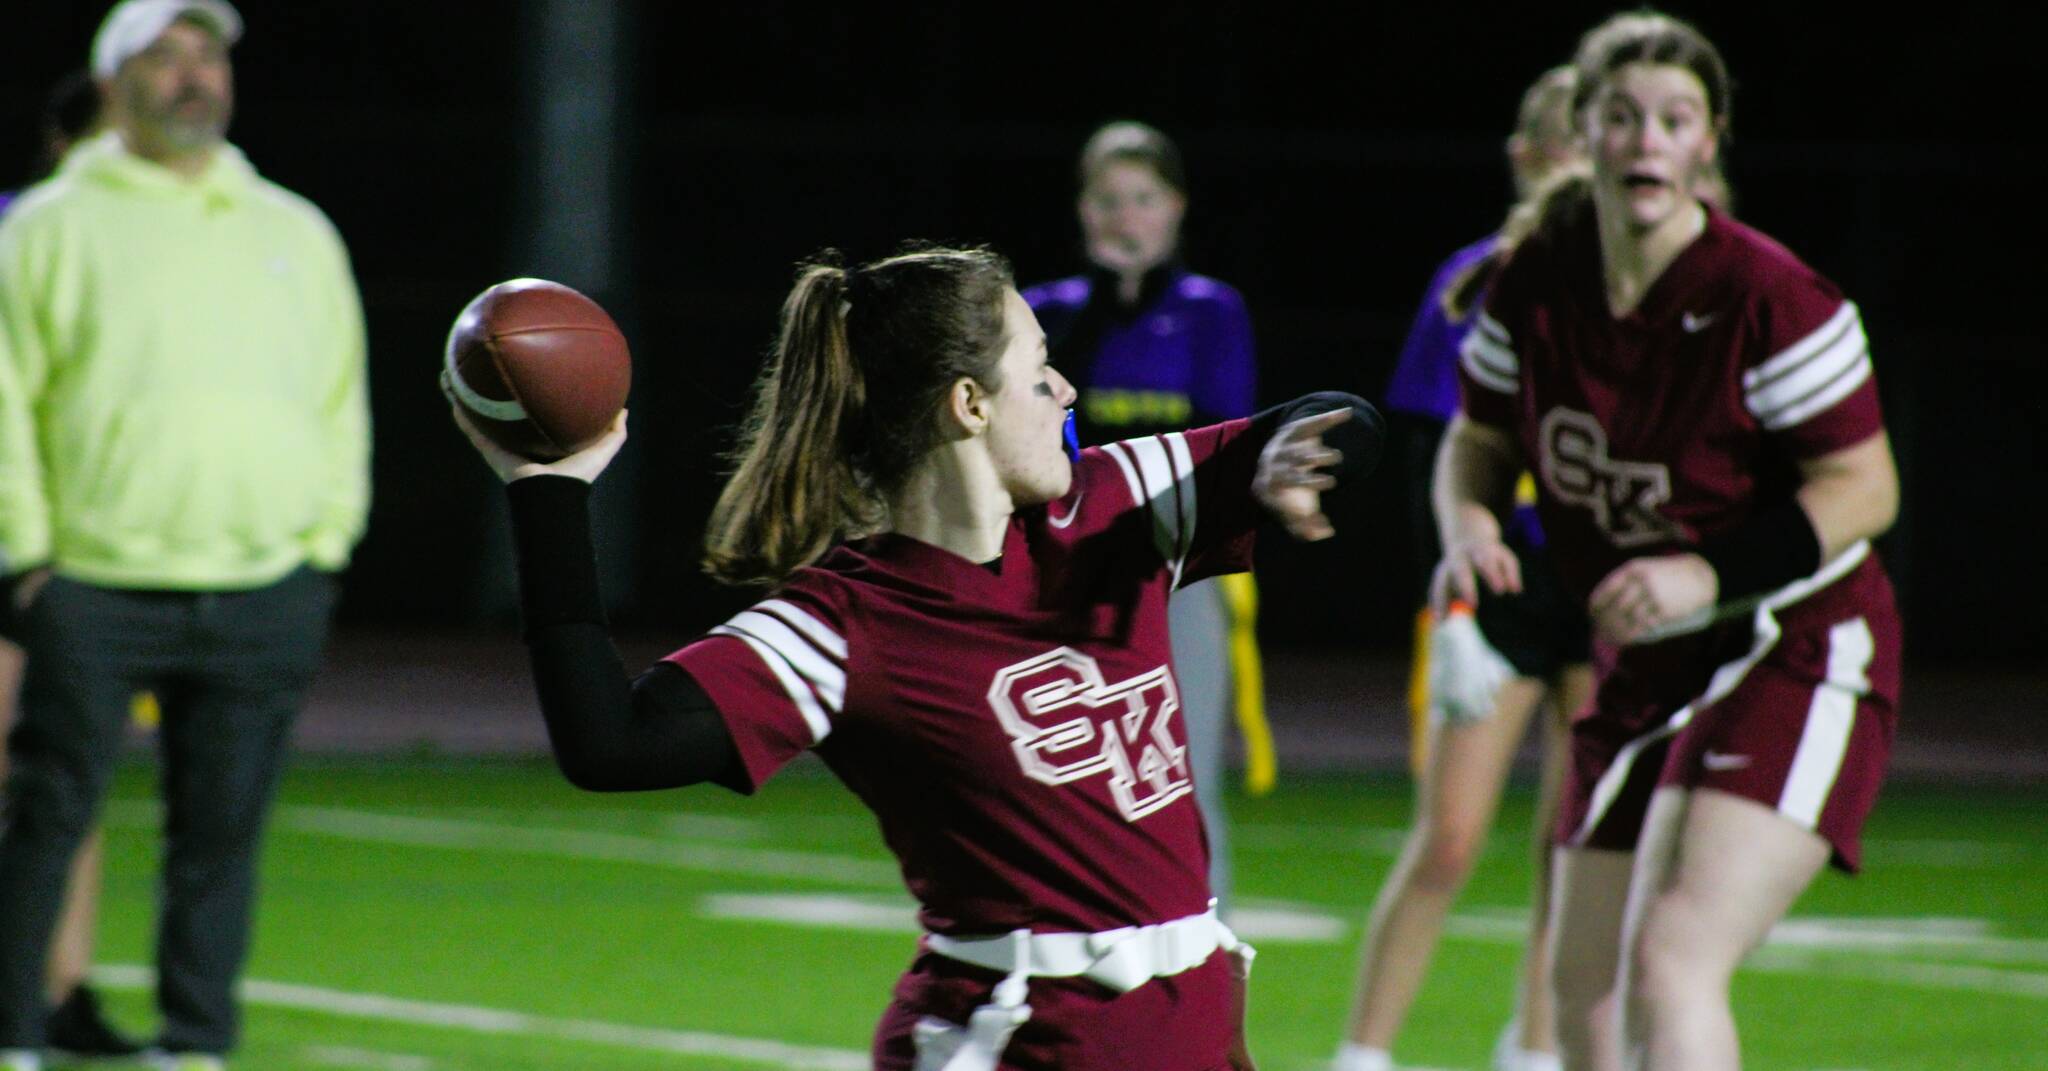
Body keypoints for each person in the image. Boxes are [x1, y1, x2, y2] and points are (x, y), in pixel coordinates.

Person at [449, 244, 1382, 1071]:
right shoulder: (850, 624)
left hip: (1192, 1021)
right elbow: (610, 742)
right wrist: (546, 495)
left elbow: (1335, 420)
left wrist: (1289, 453)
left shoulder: (1112, 505)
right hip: (1027, 1037)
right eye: (1040, 369)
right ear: (968, 404)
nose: (1064, 392)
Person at [1438, 11, 1900, 1069]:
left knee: (1671, 960)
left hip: (1790, 640)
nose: (1645, 139)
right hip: (1642, 659)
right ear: (1588, 132)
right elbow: (1478, 438)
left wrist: (1705, 571)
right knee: (1580, 986)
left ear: (1708, 140)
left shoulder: (1767, 297)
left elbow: (1864, 486)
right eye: (1621, 116)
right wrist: (1466, 522)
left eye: (1672, 119)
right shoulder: (1538, 278)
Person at [0, 2, 371, 1069]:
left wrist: (325, 542)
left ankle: (196, 1045)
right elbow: (9, 397)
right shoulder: (50, 223)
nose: (192, 74)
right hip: (94, 581)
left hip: (265, 583)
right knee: (47, 819)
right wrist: (31, 561)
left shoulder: (293, 228)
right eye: (163, 55)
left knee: (221, 836)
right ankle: (14, 1036)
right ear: (113, 82)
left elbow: (339, 398)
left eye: (207, 53)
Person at [1335, 66, 1593, 1071]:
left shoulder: (1641, 287)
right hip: (1496, 583)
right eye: (1567, 142)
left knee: (1573, 847)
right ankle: (1361, 1052)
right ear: (1526, 157)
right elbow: (1431, 458)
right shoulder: (1473, 280)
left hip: (1608, 591)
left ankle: (1532, 1049)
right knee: (1446, 838)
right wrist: (1446, 602)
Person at [1023, 120, 1265, 910]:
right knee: (1054, 766)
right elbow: (1038, 427)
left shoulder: (1210, 311)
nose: (1125, 218)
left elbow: (1223, 437)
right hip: (1061, 564)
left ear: (1176, 208)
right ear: (1082, 211)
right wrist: (1102, 304)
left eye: (1143, 199)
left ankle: (1208, 947)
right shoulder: (1045, 310)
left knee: (1182, 764)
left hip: (1176, 565)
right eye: (1107, 200)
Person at [0, 68, 144, 1061]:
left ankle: (62, 989)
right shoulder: (24, 233)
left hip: (84, 545)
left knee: (69, 775)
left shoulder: (161, 254)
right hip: (18, 538)